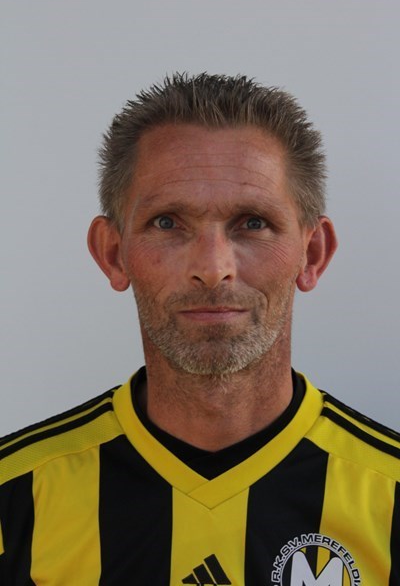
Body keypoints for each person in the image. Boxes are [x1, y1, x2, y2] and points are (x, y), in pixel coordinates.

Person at [0, 73, 399, 585]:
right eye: (168, 222)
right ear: (113, 253)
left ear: (312, 253)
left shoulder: (389, 494)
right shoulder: (13, 500)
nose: (213, 269)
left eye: (253, 222)